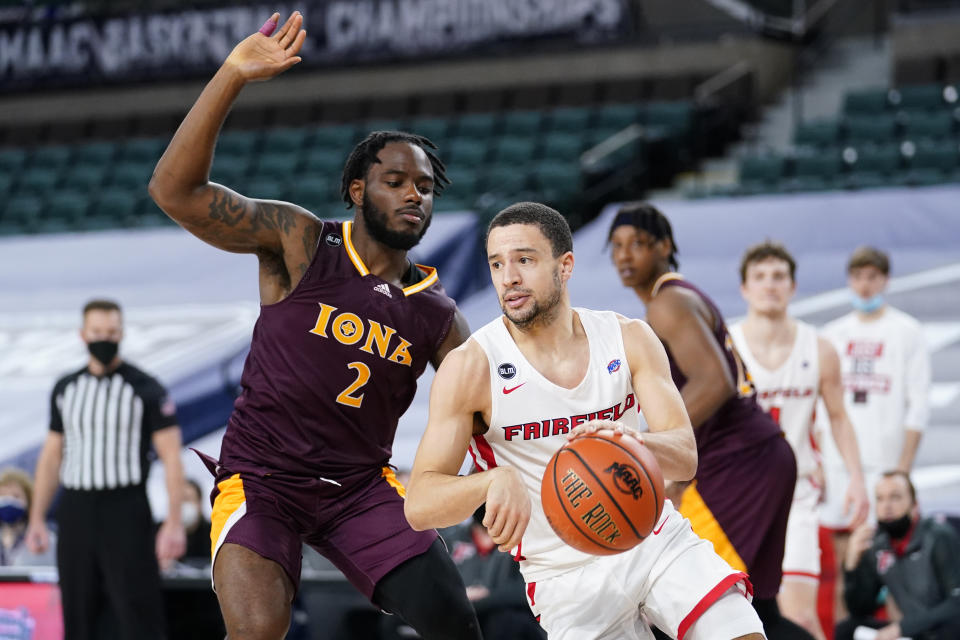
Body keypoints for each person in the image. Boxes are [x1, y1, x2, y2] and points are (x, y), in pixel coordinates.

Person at [147, 11, 481, 640]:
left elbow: (487, 413)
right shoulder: (300, 241)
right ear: (357, 189)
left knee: (456, 623)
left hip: (359, 488)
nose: (415, 195)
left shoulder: (437, 312)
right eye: (396, 181)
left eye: (426, 187)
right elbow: (173, 190)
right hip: (261, 478)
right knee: (259, 631)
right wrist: (231, 76)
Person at [406, 202, 766, 640]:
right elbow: (419, 503)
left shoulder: (628, 338)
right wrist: (489, 482)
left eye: (524, 259)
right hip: (563, 574)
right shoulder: (471, 367)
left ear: (566, 265)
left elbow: (684, 457)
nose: (509, 278)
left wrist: (631, 443)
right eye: (497, 264)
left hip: (652, 538)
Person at [608, 202, 809, 639]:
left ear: (664, 246)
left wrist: (647, 448)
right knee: (755, 610)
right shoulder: (674, 297)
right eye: (617, 246)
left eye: (638, 244)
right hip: (751, 456)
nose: (625, 255)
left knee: (704, 602)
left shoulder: (668, 302)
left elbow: (714, 383)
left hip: (740, 461)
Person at [729, 242, 870, 639]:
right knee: (737, 618)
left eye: (778, 277)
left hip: (797, 493)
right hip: (737, 494)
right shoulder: (726, 346)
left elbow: (839, 418)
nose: (769, 285)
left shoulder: (819, 347)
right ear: (744, 288)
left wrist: (856, 479)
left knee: (800, 617)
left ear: (792, 287)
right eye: (760, 277)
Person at [25, 299, 186, 640]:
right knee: (78, 608)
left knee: (137, 610)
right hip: (76, 509)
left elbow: (172, 457)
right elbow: (52, 456)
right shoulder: (66, 388)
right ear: (83, 334)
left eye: (111, 332)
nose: (104, 338)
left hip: (125, 507)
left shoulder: (145, 388)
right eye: (97, 332)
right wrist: (37, 517)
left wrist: (173, 523)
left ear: (122, 333)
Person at [818, 246, 931, 625]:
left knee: (897, 573)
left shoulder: (907, 331)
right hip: (840, 468)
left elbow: (918, 406)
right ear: (850, 280)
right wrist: (819, 460)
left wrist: (901, 471)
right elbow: (822, 408)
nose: (865, 285)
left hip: (886, 467)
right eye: (858, 277)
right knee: (843, 569)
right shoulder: (832, 334)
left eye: (872, 277)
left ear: (885, 280)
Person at [836, 471, 960, 640]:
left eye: (895, 497)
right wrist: (851, 566)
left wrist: (902, 628)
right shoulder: (878, 545)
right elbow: (860, 609)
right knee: (847, 629)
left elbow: (957, 603)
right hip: (913, 632)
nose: (887, 506)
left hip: (942, 630)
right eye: (880, 499)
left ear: (914, 505)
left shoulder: (938, 537)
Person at [0, 467, 56, 567]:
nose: (8, 500)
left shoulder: (45, 540)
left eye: (16, 496)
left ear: (29, 501)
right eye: (2, 495)